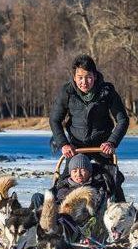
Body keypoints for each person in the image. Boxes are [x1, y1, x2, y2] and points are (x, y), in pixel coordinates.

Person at [49, 54, 128, 200]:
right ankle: (58, 214)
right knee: (64, 183)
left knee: (113, 182)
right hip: (76, 147)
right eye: (80, 77)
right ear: (74, 77)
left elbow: (122, 120)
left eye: (88, 77)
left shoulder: (107, 91)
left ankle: (122, 213)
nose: (84, 82)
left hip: (102, 147)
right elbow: (55, 120)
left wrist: (111, 142)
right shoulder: (67, 92)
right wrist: (64, 144)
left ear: (95, 76)